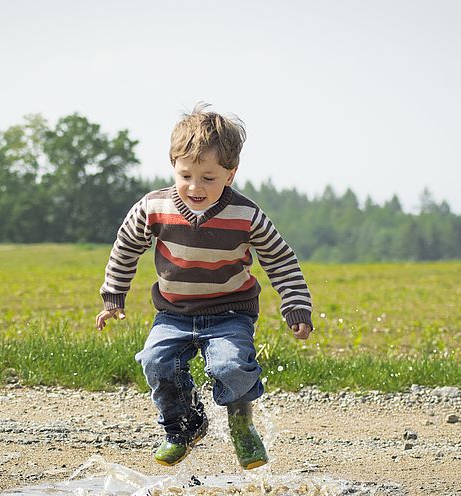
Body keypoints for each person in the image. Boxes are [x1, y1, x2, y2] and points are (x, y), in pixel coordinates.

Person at [96, 102, 313, 470]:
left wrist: (295, 305)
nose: (195, 187)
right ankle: (184, 426)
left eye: (208, 178)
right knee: (155, 362)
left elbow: (280, 259)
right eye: (186, 175)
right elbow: (126, 246)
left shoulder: (247, 215)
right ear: (174, 167)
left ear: (230, 174)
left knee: (230, 367)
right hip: (173, 312)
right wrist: (113, 295)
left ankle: (241, 423)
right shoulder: (153, 207)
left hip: (230, 312)